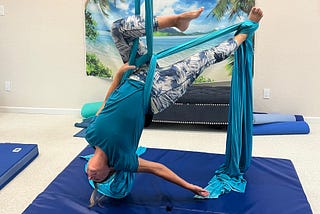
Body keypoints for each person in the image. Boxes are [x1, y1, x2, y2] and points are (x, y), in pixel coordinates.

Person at [85, 5, 263, 199]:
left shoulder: (91, 135)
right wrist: (189, 187)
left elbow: (106, 103)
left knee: (118, 29)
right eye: (99, 179)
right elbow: (158, 169)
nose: (92, 175)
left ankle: (177, 21)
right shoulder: (123, 160)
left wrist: (118, 76)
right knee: (202, 58)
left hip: (134, 76)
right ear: (110, 171)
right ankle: (246, 32)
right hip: (155, 93)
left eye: (90, 177)